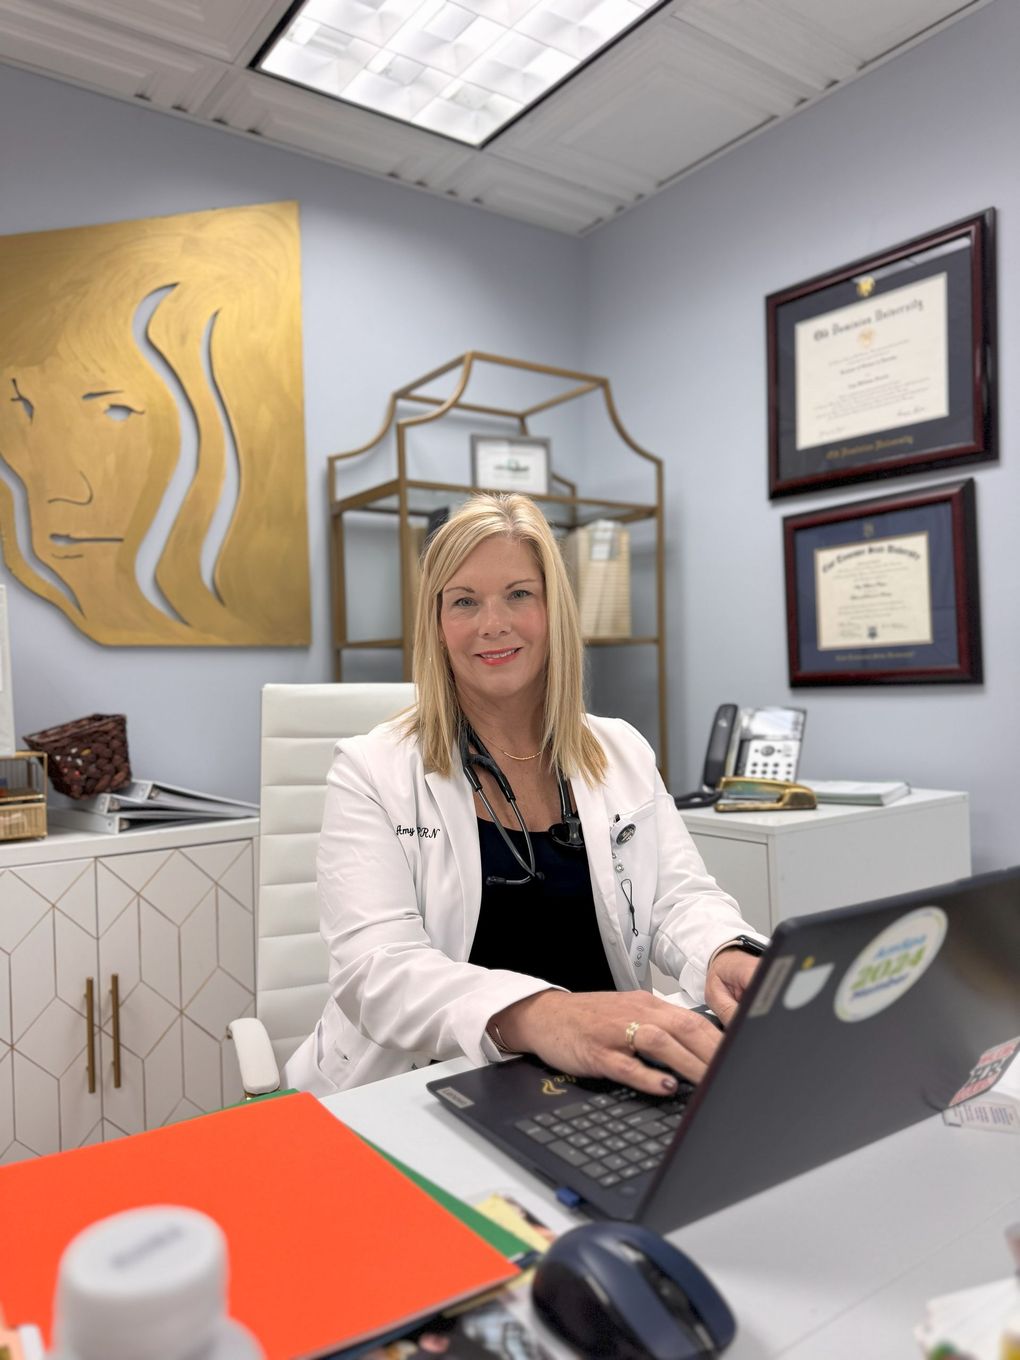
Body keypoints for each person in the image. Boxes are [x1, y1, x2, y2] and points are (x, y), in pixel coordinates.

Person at [285, 493, 766, 1097]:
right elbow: (377, 971)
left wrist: (724, 952)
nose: (494, 624)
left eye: (519, 594)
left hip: (605, 1077)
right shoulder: (371, 769)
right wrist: (543, 1016)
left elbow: (680, 899)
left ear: (553, 610)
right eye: (464, 601)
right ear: (437, 624)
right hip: (427, 1087)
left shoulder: (621, 750)